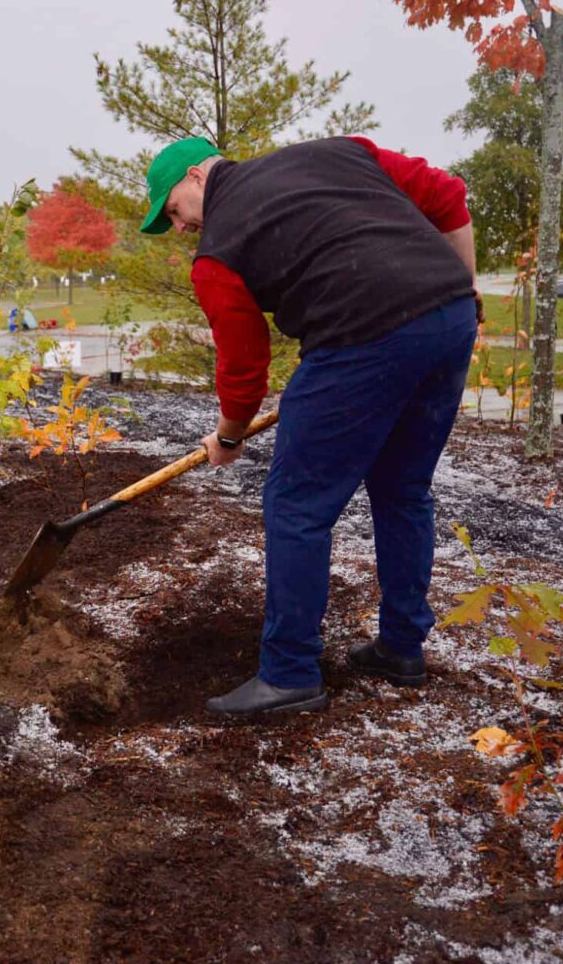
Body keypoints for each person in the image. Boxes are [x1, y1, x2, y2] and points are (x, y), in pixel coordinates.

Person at [140, 135, 480, 717]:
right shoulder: (337, 152)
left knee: (297, 503)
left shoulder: (218, 252)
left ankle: (290, 672)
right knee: (402, 489)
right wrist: (464, 288)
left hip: (361, 337)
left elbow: (245, 368)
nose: (178, 229)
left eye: (172, 211)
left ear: (196, 176)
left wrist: (226, 437)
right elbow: (447, 196)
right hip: (449, 319)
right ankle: (401, 650)